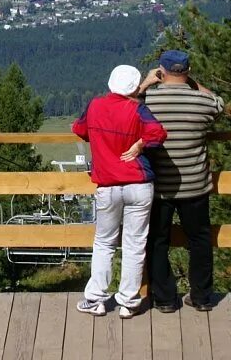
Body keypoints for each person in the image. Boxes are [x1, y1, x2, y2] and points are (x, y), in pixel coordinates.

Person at [71, 65, 167, 318]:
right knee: (134, 244)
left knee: (104, 243)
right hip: (139, 182)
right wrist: (140, 143)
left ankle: (96, 299)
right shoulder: (138, 109)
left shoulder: (95, 106)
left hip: (108, 185)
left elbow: (79, 129)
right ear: (134, 88)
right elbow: (157, 133)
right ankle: (128, 300)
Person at [139, 49, 225, 313]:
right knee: (200, 240)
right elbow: (219, 104)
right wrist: (193, 84)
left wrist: (145, 83)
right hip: (195, 184)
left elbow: (126, 104)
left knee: (157, 241)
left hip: (159, 186)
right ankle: (201, 297)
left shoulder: (148, 101)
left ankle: (164, 299)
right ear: (186, 72)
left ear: (161, 72)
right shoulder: (202, 102)